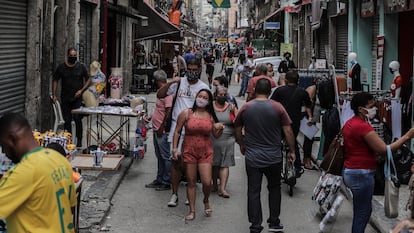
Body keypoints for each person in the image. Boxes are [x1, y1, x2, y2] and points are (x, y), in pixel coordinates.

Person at [342, 92, 414, 233]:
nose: (374, 108)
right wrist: (407, 136)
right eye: (371, 106)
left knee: (362, 210)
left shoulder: (350, 123)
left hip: (351, 171)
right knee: (362, 213)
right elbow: (384, 149)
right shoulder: (362, 127)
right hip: (361, 174)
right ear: (361, 109)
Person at [234, 78, 296, 233]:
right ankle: (274, 222)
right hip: (274, 157)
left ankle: (255, 225)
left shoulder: (246, 107)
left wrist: (241, 143)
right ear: (270, 92)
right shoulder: (278, 107)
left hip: (253, 157)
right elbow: (288, 131)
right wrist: (292, 150)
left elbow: (237, 126)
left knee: (253, 191)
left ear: (254, 90)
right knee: (274, 188)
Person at [0, 112, 76, 233]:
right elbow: (70, 204)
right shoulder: (61, 161)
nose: (4, 152)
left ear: (12, 139)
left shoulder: (24, 172)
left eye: (3, 145)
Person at [156, 58, 210, 207]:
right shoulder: (180, 83)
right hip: (176, 127)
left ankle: (189, 190)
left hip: (194, 129)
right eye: (189, 69)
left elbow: (207, 109)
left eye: (194, 70)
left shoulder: (204, 87)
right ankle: (174, 193)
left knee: (190, 162)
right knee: (175, 161)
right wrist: (172, 82)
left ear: (199, 70)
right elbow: (160, 95)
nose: (191, 73)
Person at [172, 89, 224, 221]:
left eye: (205, 97)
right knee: (191, 181)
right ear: (196, 97)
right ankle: (192, 211)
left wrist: (220, 129)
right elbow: (177, 131)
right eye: (200, 96)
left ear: (209, 101)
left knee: (207, 182)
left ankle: (206, 200)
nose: (201, 99)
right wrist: (174, 149)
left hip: (205, 151)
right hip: (189, 150)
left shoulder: (210, 116)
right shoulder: (187, 113)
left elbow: (216, 136)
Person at [270, 71, 312, 177]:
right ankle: (297, 167)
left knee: (277, 145)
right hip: (294, 122)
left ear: (286, 80)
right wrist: (310, 118)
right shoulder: (302, 92)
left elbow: (271, 105)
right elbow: (308, 106)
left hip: (279, 122)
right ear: (298, 81)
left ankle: (276, 168)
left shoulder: (279, 91)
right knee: (293, 143)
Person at [52, 47, 91, 147]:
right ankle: (68, 140)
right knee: (67, 120)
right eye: (71, 56)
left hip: (77, 98)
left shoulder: (81, 67)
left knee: (78, 119)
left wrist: (81, 90)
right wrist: (54, 94)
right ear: (67, 55)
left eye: (75, 56)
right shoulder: (61, 67)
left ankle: (78, 140)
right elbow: (55, 79)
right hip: (65, 98)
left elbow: (89, 79)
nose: (73, 57)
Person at [145, 70, 173, 191]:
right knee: (159, 156)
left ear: (157, 81)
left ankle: (166, 181)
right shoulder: (161, 92)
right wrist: (151, 117)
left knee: (165, 156)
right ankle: (159, 178)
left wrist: (162, 126)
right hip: (156, 128)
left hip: (162, 130)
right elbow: (158, 108)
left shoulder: (167, 93)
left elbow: (168, 110)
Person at [212, 86, 238, 198]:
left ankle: (222, 188)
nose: (222, 97)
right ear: (215, 95)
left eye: (224, 95)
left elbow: (238, 121)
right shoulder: (210, 107)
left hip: (228, 139)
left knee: (225, 164)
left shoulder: (231, 107)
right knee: (214, 164)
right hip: (213, 138)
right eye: (220, 95)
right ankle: (214, 184)